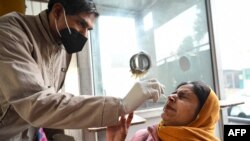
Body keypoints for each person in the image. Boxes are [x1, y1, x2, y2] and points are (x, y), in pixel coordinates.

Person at [0, 0, 165, 140]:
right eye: (81, 24)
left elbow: (52, 105)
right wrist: (120, 105)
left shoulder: (62, 49)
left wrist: (60, 138)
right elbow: (37, 105)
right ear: (58, 11)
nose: (85, 35)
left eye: (89, 29)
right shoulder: (11, 32)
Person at [106, 81, 221, 141]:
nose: (171, 97)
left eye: (183, 96)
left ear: (202, 115)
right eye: (174, 93)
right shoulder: (143, 137)